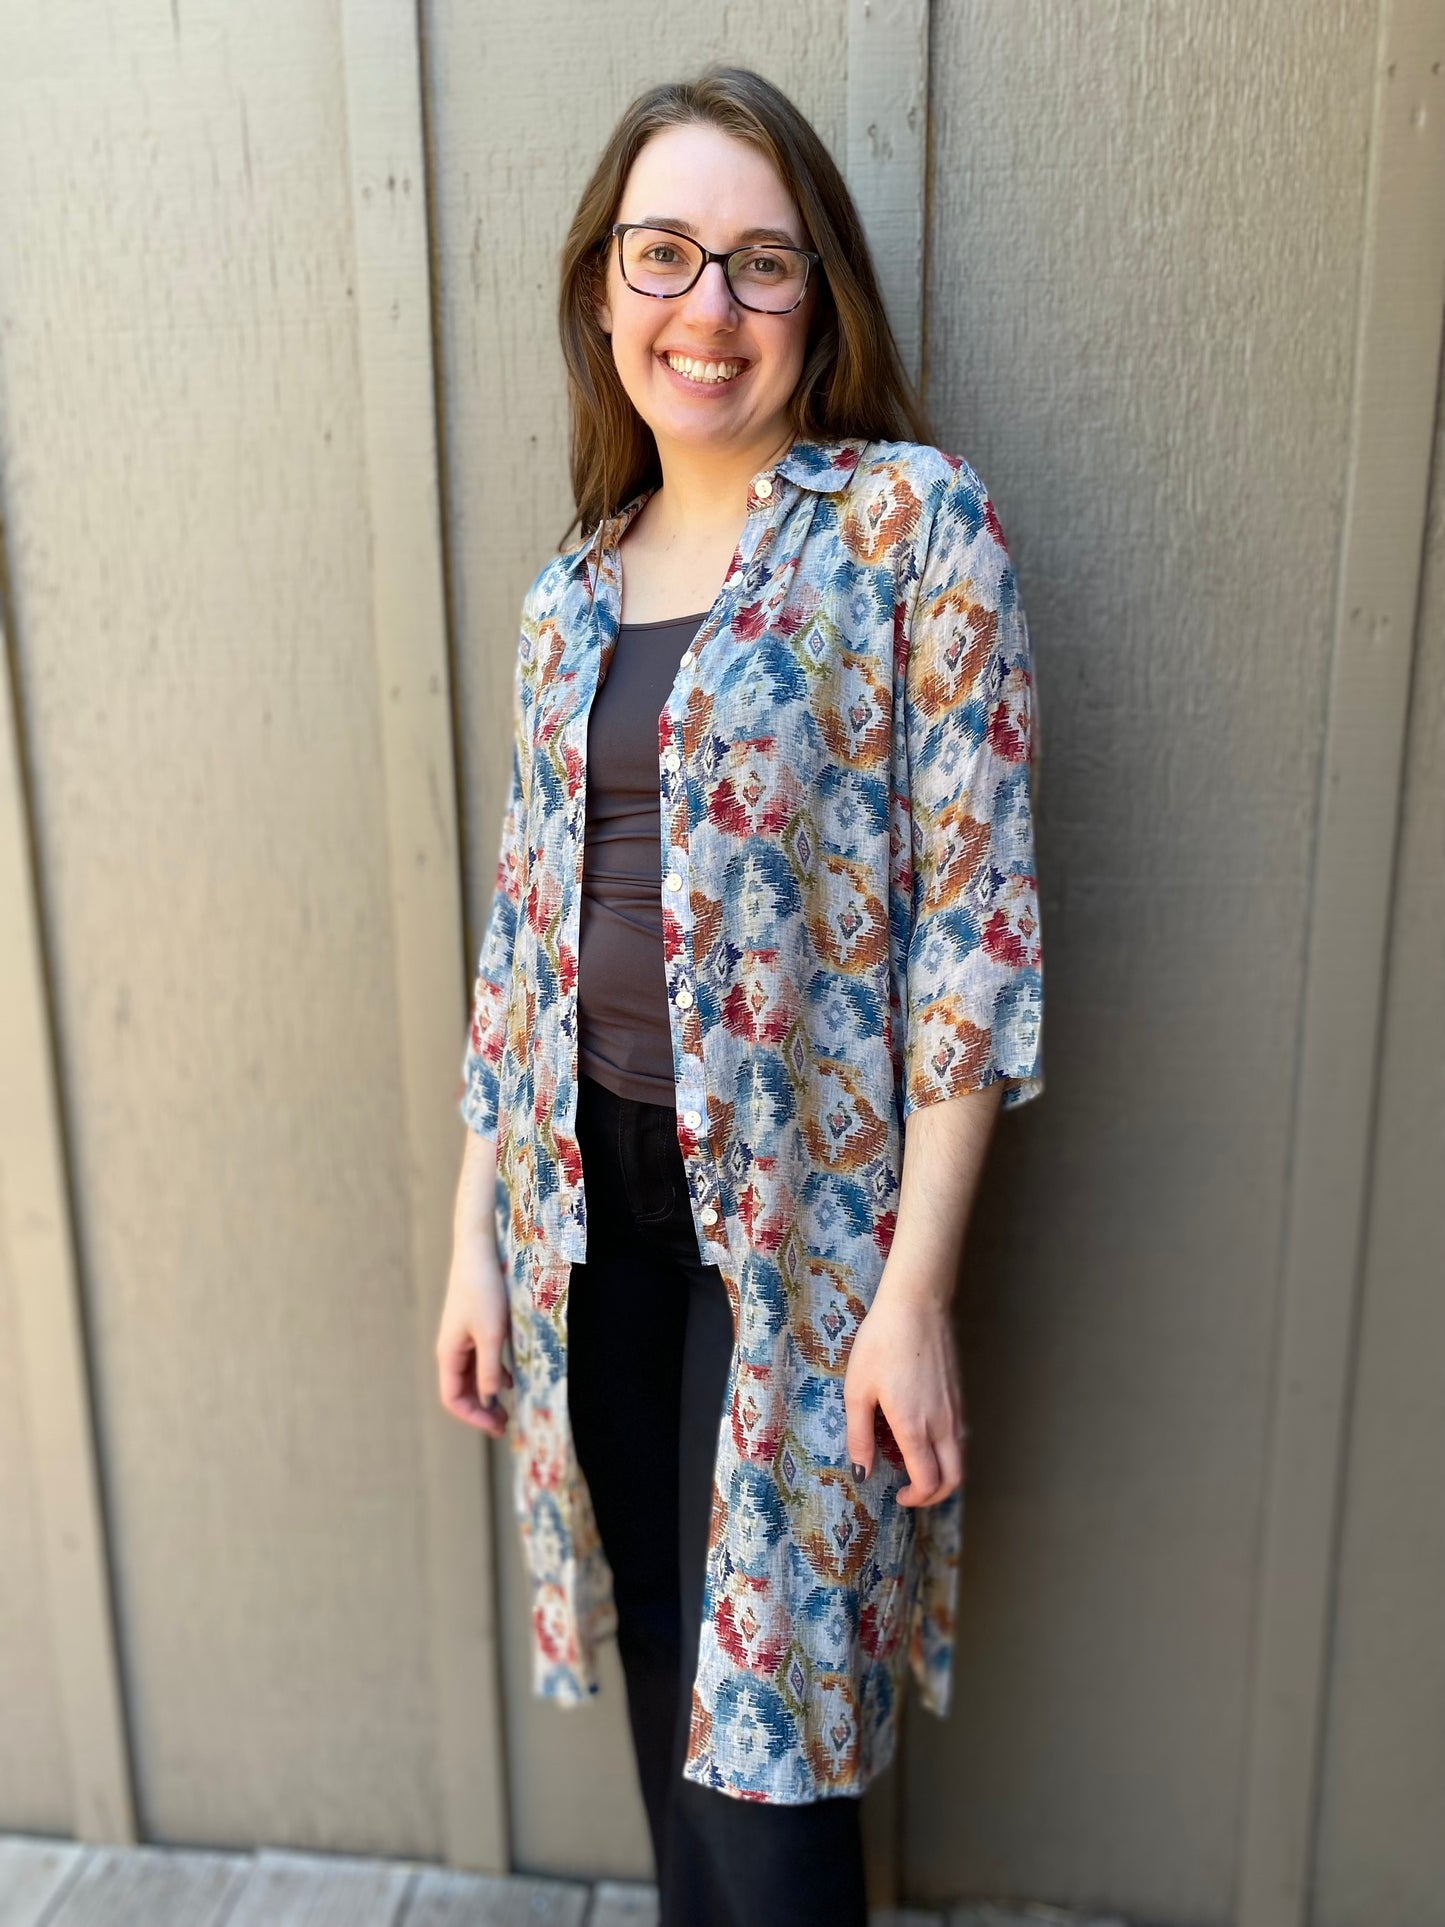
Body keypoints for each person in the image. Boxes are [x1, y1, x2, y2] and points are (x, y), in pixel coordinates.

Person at [436, 63, 1044, 1927]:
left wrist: (914, 1294)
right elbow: (527, 938)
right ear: (605, 289)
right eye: (664, 254)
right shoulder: (569, 594)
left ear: (819, 298)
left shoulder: (910, 532)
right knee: (673, 1701)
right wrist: (473, 1239)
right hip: (582, 1228)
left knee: (769, 1749)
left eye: (759, 264)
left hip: (793, 1247)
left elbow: (975, 939)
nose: (706, 308)